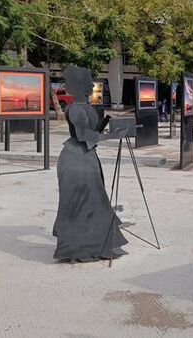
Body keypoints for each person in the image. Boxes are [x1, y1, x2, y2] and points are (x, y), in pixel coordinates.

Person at [52, 66, 129, 262]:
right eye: (87, 82)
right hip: (76, 160)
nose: (90, 85)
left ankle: (95, 243)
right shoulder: (76, 109)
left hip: (85, 157)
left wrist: (104, 128)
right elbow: (82, 135)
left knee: (95, 203)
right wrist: (111, 136)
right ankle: (77, 248)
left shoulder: (85, 106)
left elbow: (91, 129)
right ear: (79, 86)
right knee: (84, 203)